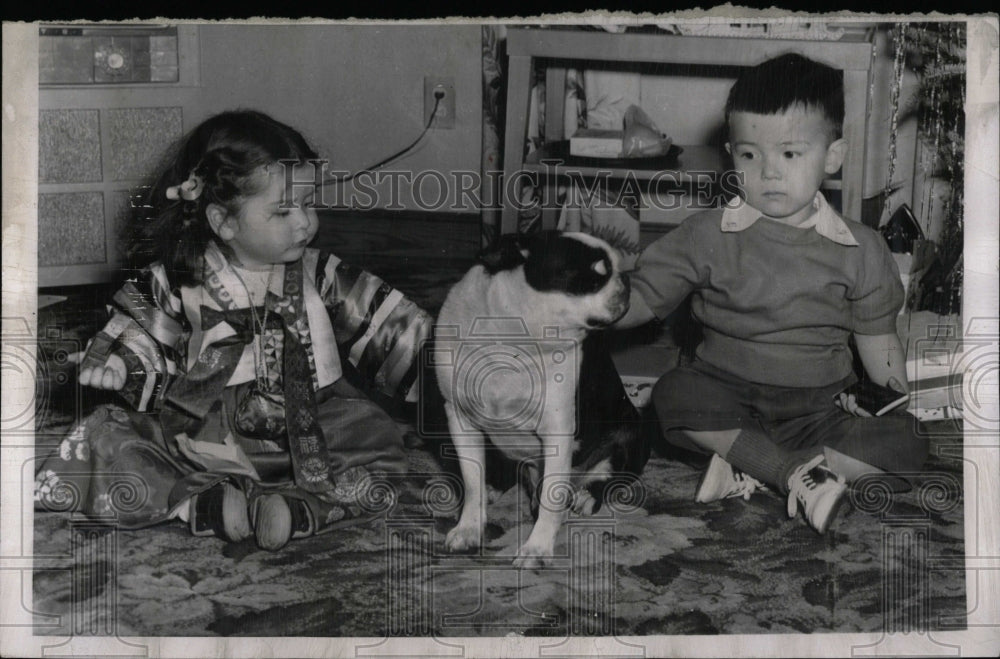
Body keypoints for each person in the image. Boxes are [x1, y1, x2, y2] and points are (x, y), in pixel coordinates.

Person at [34, 110, 432, 551]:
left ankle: (303, 510)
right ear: (223, 221)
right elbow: (140, 333)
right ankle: (202, 504)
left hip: (313, 424)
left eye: (308, 202)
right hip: (202, 431)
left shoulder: (320, 274)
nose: (305, 222)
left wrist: (437, 359)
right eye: (283, 211)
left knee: (378, 438)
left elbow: (384, 325)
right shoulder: (182, 279)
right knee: (109, 434)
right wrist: (119, 363)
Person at [615, 54, 928, 534]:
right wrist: (587, 308)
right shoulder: (706, 234)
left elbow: (879, 337)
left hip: (819, 410)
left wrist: (886, 396)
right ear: (730, 155)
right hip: (726, 395)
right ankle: (793, 474)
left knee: (908, 440)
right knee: (673, 393)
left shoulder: (861, 247)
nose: (769, 172)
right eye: (749, 155)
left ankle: (754, 464)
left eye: (790, 154)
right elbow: (642, 296)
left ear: (833, 156)